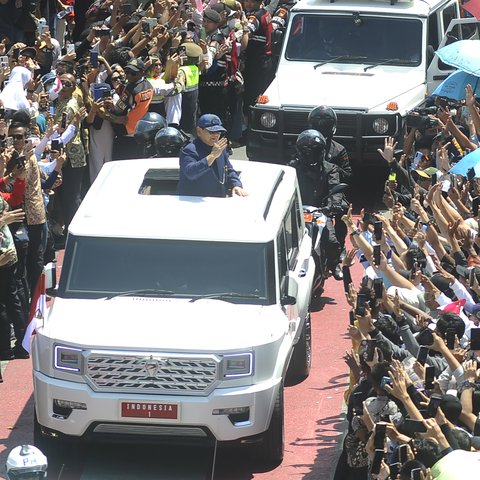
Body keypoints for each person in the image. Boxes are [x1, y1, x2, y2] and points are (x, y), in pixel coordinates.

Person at [289, 129, 347, 280]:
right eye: (306, 151)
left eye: (314, 151)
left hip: (321, 212)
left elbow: (335, 189)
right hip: (297, 212)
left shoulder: (331, 168)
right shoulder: (292, 167)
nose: (310, 154)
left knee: (331, 240)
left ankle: (334, 264)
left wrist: (332, 206)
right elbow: (286, 188)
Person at [308, 105, 351, 261]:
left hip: (332, 191)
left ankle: (340, 246)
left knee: (343, 210)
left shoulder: (339, 150)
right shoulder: (306, 143)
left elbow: (348, 175)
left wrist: (329, 168)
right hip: (311, 188)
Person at [178, 114, 247, 197]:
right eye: (211, 132)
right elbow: (190, 173)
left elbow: (228, 170)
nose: (216, 135)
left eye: (218, 132)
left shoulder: (220, 149)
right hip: (193, 201)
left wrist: (236, 185)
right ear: (199, 131)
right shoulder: (190, 150)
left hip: (217, 200)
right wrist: (212, 156)